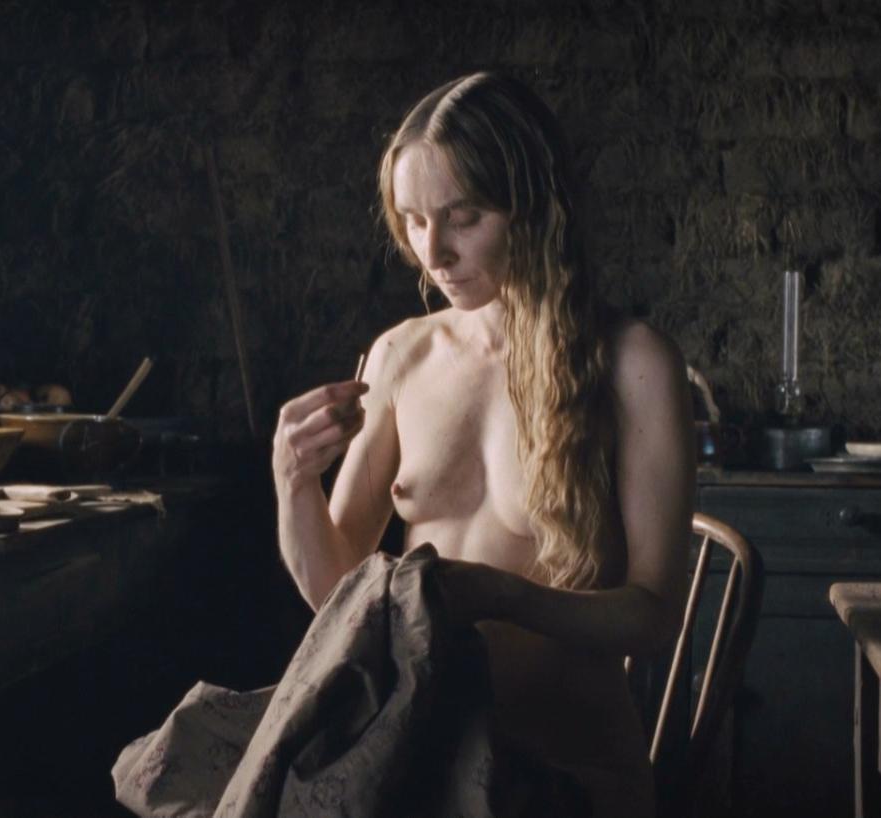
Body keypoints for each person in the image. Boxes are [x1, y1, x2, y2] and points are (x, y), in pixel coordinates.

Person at [271, 70, 694, 818]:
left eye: (463, 218)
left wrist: (505, 596)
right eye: (413, 221)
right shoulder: (401, 356)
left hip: (571, 772)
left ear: (534, 208)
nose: (433, 251)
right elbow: (335, 592)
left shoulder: (634, 365)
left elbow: (655, 617)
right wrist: (292, 481)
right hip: (420, 758)